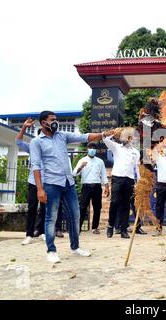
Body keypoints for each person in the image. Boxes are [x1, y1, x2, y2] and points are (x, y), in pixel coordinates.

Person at [30, 110, 105, 264]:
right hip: (51, 184)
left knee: (76, 215)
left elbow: (85, 136)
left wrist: (104, 134)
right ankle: (51, 251)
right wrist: (39, 189)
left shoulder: (62, 136)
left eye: (56, 119)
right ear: (43, 122)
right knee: (51, 218)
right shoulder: (36, 142)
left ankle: (75, 247)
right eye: (52, 119)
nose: (55, 122)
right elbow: (36, 167)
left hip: (68, 183)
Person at [102, 128, 140, 239]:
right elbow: (105, 140)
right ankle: (110, 226)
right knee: (114, 202)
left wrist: (139, 181)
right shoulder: (117, 147)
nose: (125, 138)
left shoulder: (135, 152)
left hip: (129, 179)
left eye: (128, 137)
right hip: (117, 178)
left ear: (130, 139)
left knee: (126, 205)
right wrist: (113, 134)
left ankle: (124, 230)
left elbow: (136, 168)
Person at [16, 119, 46, 245]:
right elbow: (18, 141)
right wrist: (24, 127)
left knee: (45, 209)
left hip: (48, 182)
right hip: (33, 182)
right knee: (32, 208)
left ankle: (43, 231)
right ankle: (29, 234)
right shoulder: (32, 147)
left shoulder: (51, 149)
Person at [73, 142, 110, 234]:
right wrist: (81, 167)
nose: (92, 150)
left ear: (96, 150)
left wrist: (106, 186)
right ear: (87, 149)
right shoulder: (82, 160)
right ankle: (78, 228)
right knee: (82, 207)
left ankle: (94, 227)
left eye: (94, 148)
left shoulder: (100, 161)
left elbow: (104, 175)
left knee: (97, 207)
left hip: (97, 186)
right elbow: (74, 173)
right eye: (90, 148)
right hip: (86, 186)